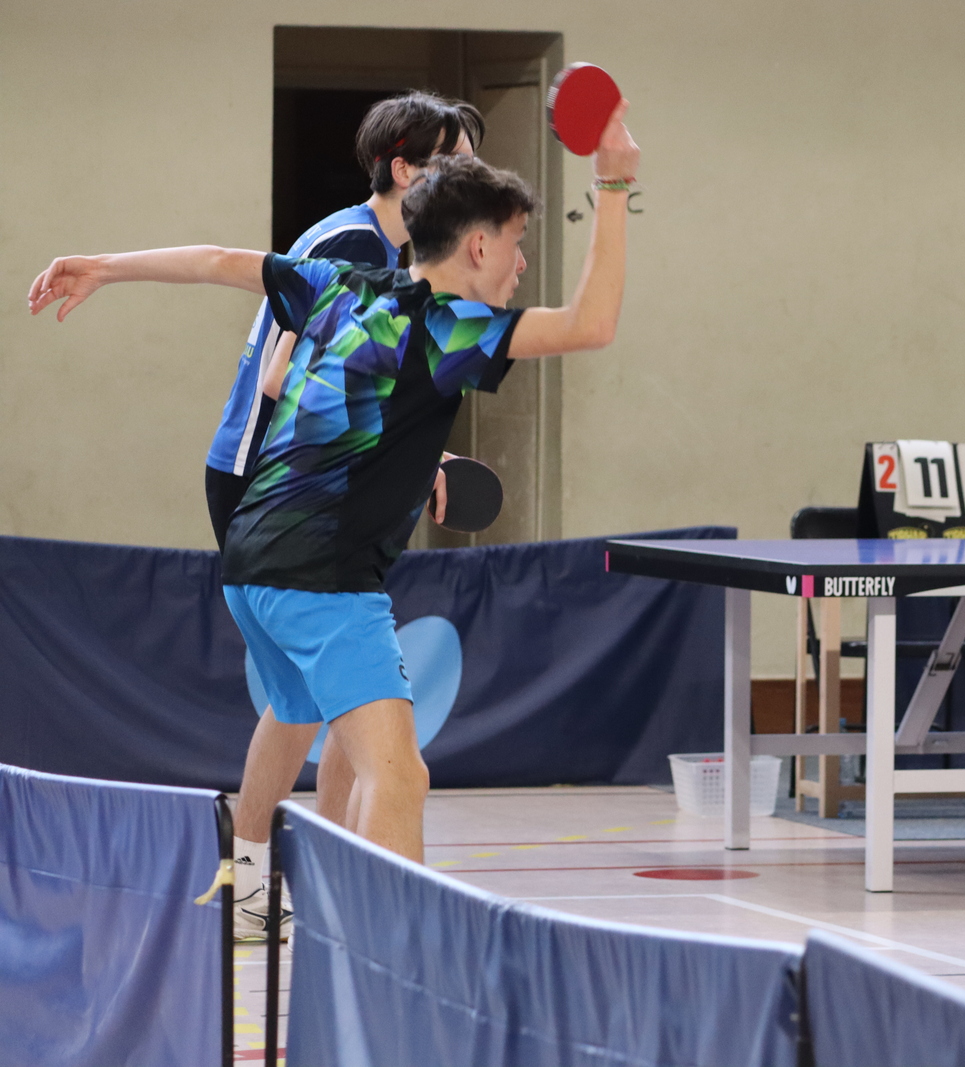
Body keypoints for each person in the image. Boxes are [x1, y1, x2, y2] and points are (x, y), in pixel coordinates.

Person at [29, 105, 640, 866]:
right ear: (478, 245)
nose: (521, 267)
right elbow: (591, 324)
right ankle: (373, 932)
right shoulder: (453, 328)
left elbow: (218, 261)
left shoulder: (340, 283)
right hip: (327, 583)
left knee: (297, 713)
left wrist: (105, 265)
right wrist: (613, 185)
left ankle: (252, 891)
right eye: (517, 246)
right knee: (400, 774)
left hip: (250, 566)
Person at [209, 90, 483, 936]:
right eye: (459, 161)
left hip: (303, 483)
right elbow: (286, 379)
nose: (475, 176)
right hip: (277, 484)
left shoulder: (392, 251)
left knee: (303, 706)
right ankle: (299, 889)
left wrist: (418, 454)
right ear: (405, 169)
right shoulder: (355, 245)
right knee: (337, 716)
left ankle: (265, 883)